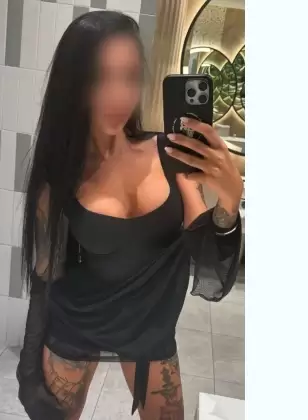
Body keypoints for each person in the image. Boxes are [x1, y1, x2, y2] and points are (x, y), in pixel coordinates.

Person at [16, 10, 242, 420]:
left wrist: (229, 201)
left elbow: (210, 275)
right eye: (101, 78)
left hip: (149, 331)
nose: (119, 95)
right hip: (75, 326)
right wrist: (27, 368)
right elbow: (45, 277)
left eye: (130, 76)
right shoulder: (59, 179)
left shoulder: (171, 155)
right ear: (73, 85)